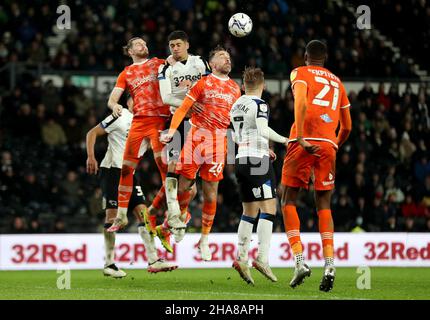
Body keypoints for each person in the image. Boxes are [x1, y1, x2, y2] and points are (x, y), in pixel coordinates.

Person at [281, 40, 352, 292]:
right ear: (326, 58)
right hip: (328, 144)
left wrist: (300, 136)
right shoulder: (338, 82)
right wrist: (334, 145)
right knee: (324, 204)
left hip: (304, 139)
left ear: (305, 56)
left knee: (287, 199)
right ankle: (330, 264)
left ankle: (300, 261)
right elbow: (347, 126)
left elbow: (300, 102)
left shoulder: (299, 73)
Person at [160, 46, 241, 261]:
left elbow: (238, 120)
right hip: (196, 137)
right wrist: (171, 131)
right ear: (212, 64)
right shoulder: (202, 83)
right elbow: (182, 108)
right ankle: (179, 219)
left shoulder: (235, 88)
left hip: (219, 142)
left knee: (211, 193)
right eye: (222, 57)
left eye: (229, 57)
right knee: (185, 186)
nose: (227, 60)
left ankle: (204, 240)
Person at [86, 104, 177, 276]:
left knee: (143, 213)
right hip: (112, 171)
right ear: (129, 102)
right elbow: (91, 133)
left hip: (130, 173)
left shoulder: (148, 122)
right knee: (112, 217)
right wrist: (91, 157)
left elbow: (152, 145)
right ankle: (109, 264)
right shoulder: (120, 116)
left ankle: (154, 260)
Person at [105, 36, 185, 232]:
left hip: (159, 120)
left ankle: (174, 213)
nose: (144, 45)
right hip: (139, 122)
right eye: (139, 44)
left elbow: (179, 60)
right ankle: (122, 216)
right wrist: (115, 105)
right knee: (125, 169)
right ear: (130, 51)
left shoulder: (158, 63)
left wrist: (181, 53)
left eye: (145, 43)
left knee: (165, 168)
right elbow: (112, 99)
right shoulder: (127, 73)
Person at [145, 30, 211, 252]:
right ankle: (173, 214)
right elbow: (165, 98)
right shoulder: (166, 68)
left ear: (187, 44)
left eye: (178, 44)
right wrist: (189, 103)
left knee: (190, 187)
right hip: (178, 120)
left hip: (201, 124)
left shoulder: (200, 63)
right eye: (171, 45)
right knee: (173, 166)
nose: (175, 48)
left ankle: (161, 218)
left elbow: (210, 88)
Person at [230, 67, 288, 285]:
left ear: (243, 86)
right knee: (269, 209)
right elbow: (263, 130)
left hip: (242, 159)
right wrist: (285, 140)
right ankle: (262, 258)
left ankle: (242, 258)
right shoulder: (259, 104)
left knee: (249, 210)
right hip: (256, 161)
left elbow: (236, 137)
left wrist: (263, 148)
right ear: (263, 86)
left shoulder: (236, 104)